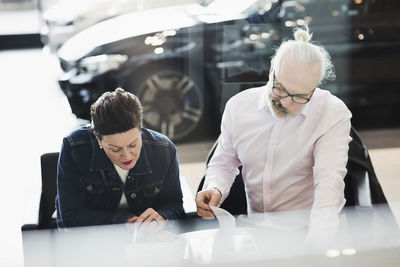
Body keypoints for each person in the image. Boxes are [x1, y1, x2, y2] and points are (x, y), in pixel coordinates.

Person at [196, 26, 352, 223]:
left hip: (304, 228)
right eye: (281, 89)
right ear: (271, 70)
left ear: (315, 87)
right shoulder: (239, 107)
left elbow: (329, 187)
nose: (286, 102)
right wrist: (215, 187)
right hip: (254, 228)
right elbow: (224, 162)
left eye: (300, 96)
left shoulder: (332, 114)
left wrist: (317, 246)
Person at [56, 88, 184, 227]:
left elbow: (175, 204)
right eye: (115, 149)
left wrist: (162, 218)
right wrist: (125, 221)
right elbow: (70, 216)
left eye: (133, 145)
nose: (127, 156)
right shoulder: (74, 148)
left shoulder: (164, 150)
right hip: (92, 238)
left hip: (149, 238)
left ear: (141, 129)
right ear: (98, 139)